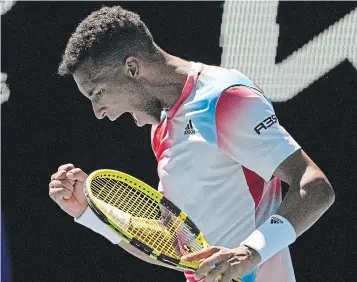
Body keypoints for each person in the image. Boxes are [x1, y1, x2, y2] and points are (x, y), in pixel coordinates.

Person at [49, 5, 335, 282]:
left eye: (98, 93)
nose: (99, 112)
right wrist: (90, 212)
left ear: (132, 67)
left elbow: (314, 186)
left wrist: (250, 252)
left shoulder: (224, 98)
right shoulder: (161, 127)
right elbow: (173, 246)